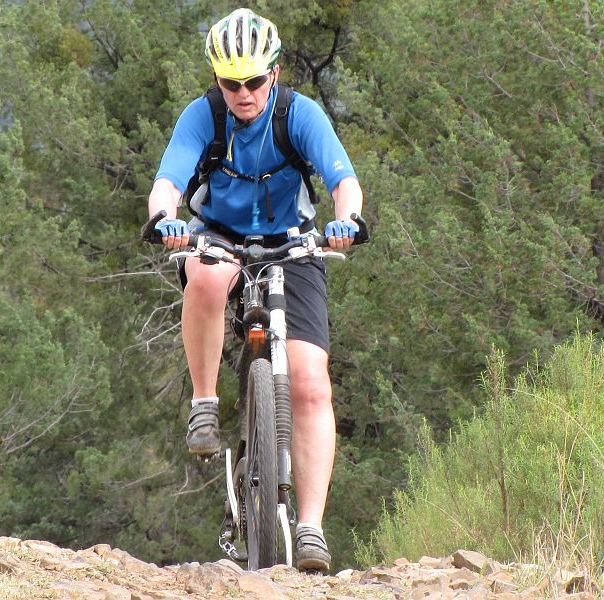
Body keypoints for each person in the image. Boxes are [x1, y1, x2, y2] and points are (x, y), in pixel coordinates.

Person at [146, 7, 364, 573]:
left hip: (293, 244)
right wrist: (167, 218)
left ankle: (311, 526)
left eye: (254, 80)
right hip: (220, 237)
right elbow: (168, 181)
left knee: (312, 383)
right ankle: (204, 402)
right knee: (207, 273)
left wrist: (346, 221)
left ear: (275, 71)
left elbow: (343, 181)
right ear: (217, 79)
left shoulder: (300, 114)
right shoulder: (204, 117)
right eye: (229, 82)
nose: (242, 93)